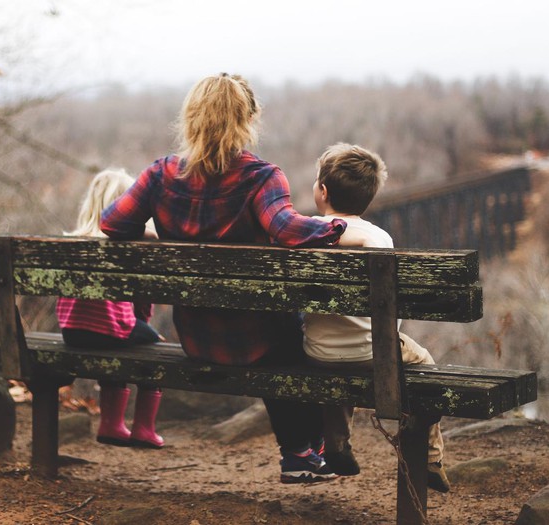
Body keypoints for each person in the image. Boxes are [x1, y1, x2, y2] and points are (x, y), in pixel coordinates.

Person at [100, 73, 352, 483]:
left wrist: (151, 233)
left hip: (197, 339)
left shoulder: (160, 175)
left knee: (282, 332)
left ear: (191, 118)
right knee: (293, 334)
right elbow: (287, 229)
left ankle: (304, 453)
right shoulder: (261, 177)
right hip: (259, 342)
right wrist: (338, 228)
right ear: (247, 119)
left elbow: (111, 223)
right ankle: (302, 452)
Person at [302, 142, 451, 492]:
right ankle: (430, 457)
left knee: (338, 355)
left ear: (322, 191)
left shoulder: (305, 233)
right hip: (374, 353)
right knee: (424, 363)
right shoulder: (379, 238)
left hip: (317, 353)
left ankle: (336, 444)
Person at [56, 168, 166, 449]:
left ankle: (111, 424)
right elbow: (141, 300)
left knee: (116, 339)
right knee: (154, 347)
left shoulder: (73, 242)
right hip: (110, 330)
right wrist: (145, 327)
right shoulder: (126, 245)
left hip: (72, 332)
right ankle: (143, 429)